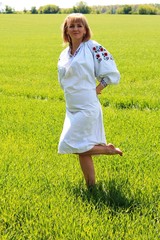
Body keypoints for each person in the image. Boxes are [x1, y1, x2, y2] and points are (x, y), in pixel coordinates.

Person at [57, 13, 123, 187]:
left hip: (87, 105)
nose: (76, 29)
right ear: (66, 30)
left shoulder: (93, 47)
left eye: (80, 25)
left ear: (85, 29)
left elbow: (111, 72)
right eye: (72, 26)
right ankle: (91, 187)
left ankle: (107, 150)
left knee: (68, 143)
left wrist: (98, 88)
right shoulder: (64, 54)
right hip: (71, 106)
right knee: (82, 149)